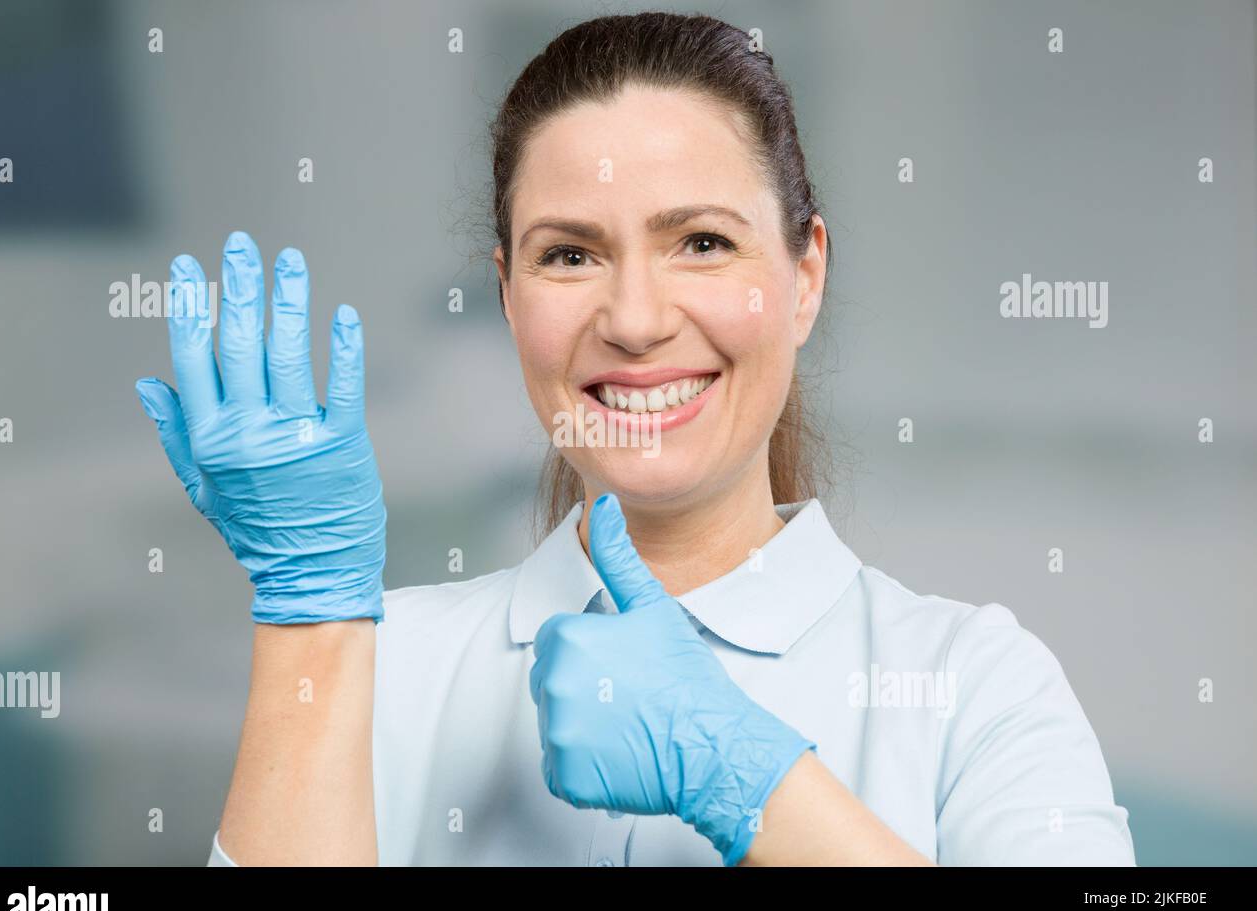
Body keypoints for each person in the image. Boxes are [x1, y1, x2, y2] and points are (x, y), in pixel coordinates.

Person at [134, 12, 1134, 866]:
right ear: (507, 297)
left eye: (700, 241)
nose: (636, 319)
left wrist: (749, 774)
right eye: (568, 253)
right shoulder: (374, 667)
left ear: (804, 274)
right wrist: (309, 618)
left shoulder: (976, 684)